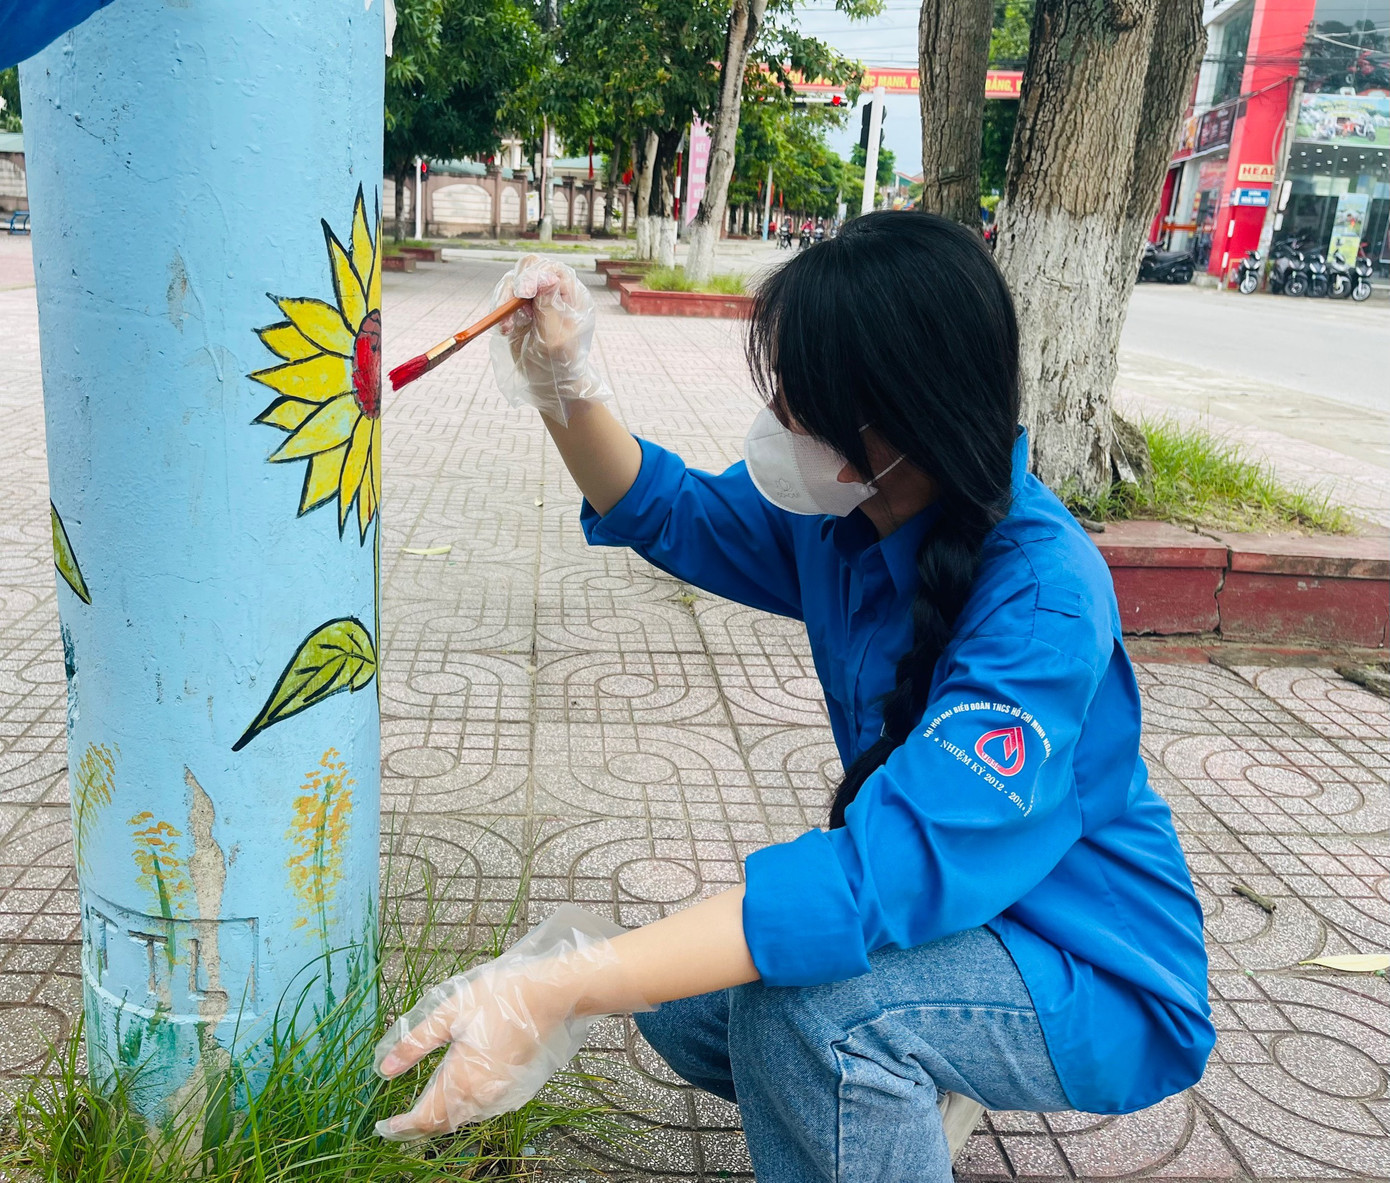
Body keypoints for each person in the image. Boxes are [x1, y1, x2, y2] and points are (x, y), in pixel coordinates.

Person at [371, 212, 1216, 1181]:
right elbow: (666, 508)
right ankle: (917, 1072)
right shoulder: (853, 517)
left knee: (809, 1012)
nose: (775, 418)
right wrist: (566, 383)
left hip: (1090, 969)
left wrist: (561, 985)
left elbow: (880, 873)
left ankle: (899, 1054)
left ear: (898, 408)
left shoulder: (1039, 599)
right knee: (688, 1003)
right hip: (967, 910)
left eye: (796, 398)